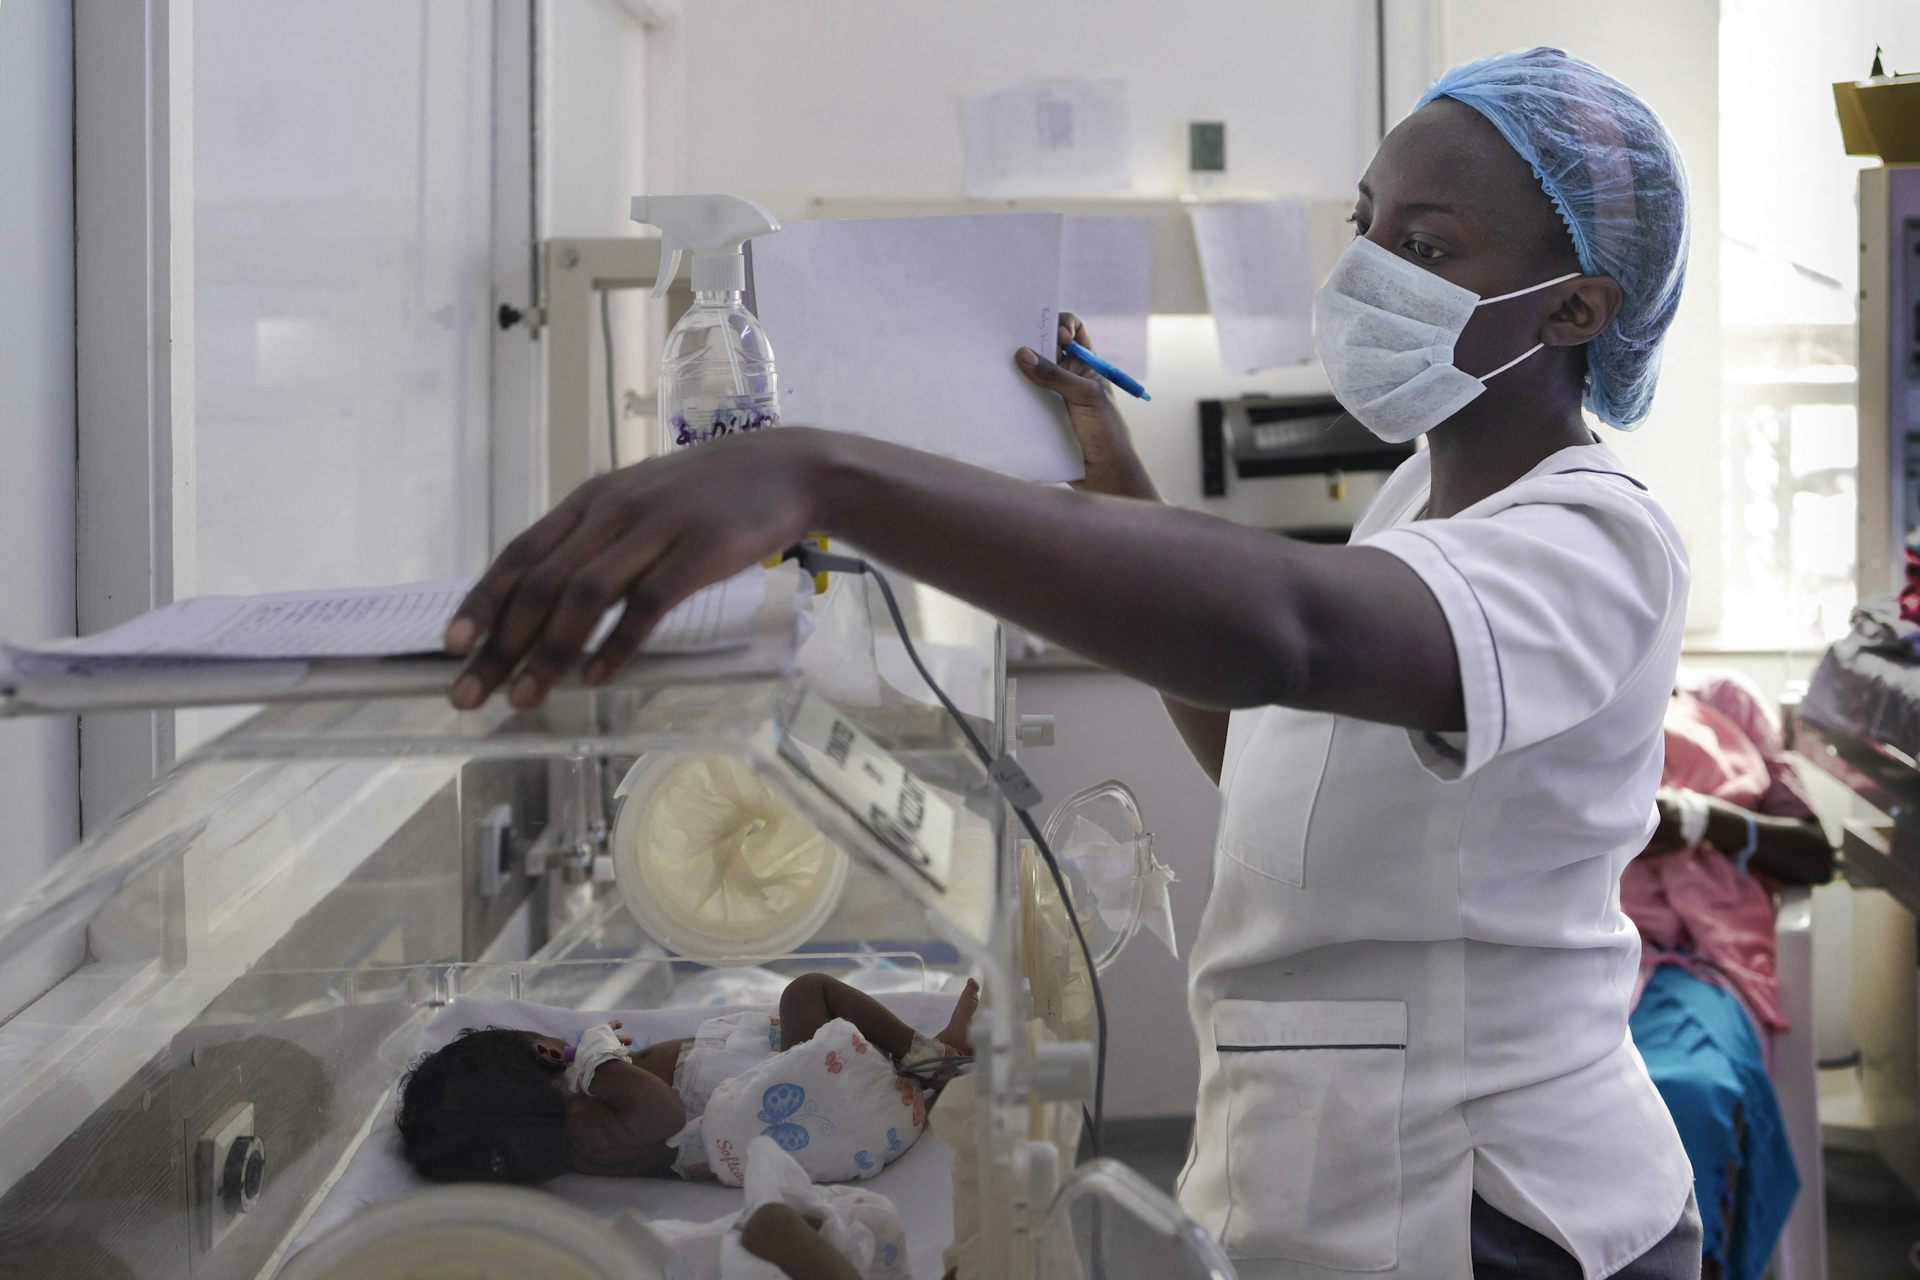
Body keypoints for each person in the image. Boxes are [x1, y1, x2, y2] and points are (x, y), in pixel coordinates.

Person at [444, 46, 1698, 1279]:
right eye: (1365, 225)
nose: (1367, 270)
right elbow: (1262, 743)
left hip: (1497, 1214)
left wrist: (819, 473)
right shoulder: (1423, 493)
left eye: (1424, 247)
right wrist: (1123, 492)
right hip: (1331, 1174)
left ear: (1577, 308)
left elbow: (1291, 634)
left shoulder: (1595, 545)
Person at [1625, 675, 1836, 1280]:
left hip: (1698, 963)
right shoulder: (1554, 705)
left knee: (1682, 1092)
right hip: (1577, 953)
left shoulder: (1726, 705)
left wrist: (1699, 819)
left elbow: (1814, 852)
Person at [395, 973, 977, 1184]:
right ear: (550, 1053)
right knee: (809, 992)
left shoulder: (575, 1150)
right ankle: (930, 1058)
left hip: (830, 1125)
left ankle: (916, 1078)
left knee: (829, 1037)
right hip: (797, 1104)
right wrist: (598, 1058)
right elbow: (665, 1115)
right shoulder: (585, 1114)